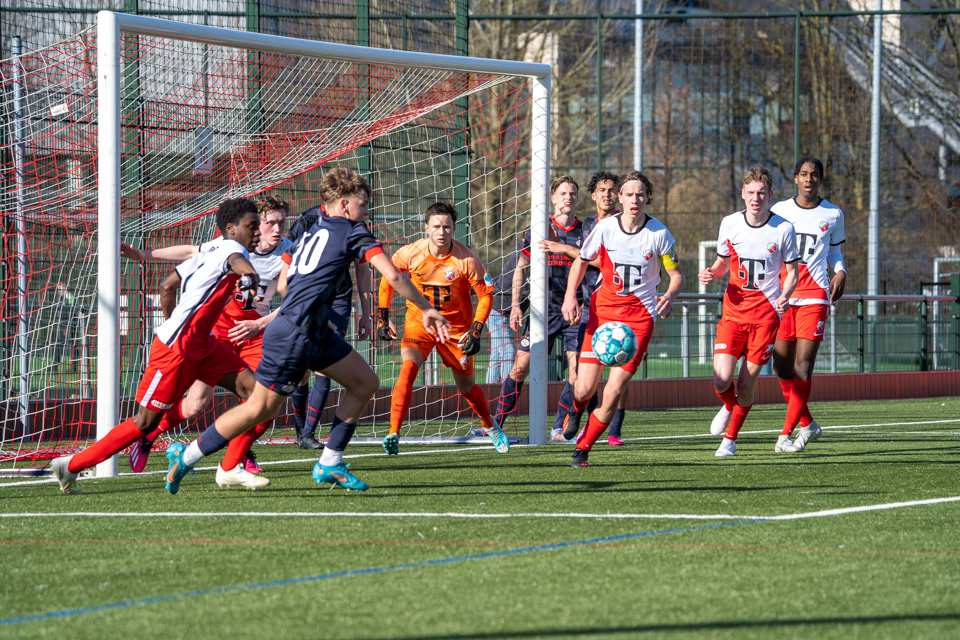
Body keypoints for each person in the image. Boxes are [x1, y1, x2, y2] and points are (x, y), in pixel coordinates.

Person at [161, 167, 449, 494]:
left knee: (365, 381)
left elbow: (284, 283)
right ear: (344, 204)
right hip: (295, 333)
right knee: (259, 408)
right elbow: (394, 277)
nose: (366, 211)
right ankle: (186, 456)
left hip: (311, 328)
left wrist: (313, 306)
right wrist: (427, 308)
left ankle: (330, 462)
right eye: (363, 204)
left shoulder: (309, 231)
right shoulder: (354, 231)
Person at [49, 198, 263, 493]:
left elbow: (166, 287)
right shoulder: (233, 250)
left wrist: (175, 319)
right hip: (175, 351)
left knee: (259, 396)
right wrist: (249, 274)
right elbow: (235, 262)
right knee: (145, 423)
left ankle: (231, 466)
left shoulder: (210, 248)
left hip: (204, 346)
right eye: (252, 226)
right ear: (231, 228)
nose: (258, 233)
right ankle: (70, 466)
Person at [121, 195, 293, 485]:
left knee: (265, 398)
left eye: (281, 222)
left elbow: (292, 299)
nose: (277, 229)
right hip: (218, 334)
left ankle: (239, 455)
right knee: (194, 406)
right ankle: (150, 433)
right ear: (252, 225)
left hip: (254, 335)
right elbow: (191, 251)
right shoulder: (230, 247)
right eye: (269, 222)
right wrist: (144, 255)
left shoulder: (288, 252)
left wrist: (261, 323)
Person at [560, 170, 685, 467]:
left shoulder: (659, 234)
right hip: (602, 315)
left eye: (640, 195)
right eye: (629, 194)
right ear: (619, 197)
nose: (635, 200)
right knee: (584, 388)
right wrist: (570, 296)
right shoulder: (605, 228)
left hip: (638, 321)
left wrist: (669, 295)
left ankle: (583, 449)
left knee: (614, 390)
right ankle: (577, 408)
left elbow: (676, 275)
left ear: (647, 199)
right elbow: (581, 260)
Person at [377, 202, 507, 454]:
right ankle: (393, 432)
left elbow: (486, 295)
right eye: (436, 226)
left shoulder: (466, 259)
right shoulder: (410, 253)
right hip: (419, 323)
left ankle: (489, 425)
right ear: (426, 227)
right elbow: (387, 277)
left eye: (447, 226)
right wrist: (383, 316)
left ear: (454, 229)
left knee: (466, 386)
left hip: (455, 329)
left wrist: (476, 330)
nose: (441, 231)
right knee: (407, 369)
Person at [700, 166, 799, 457]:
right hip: (733, 312)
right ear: (743, 194)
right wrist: (711, 273)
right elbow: (722, 263)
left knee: (745, 382)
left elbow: (792, 272)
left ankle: (730, 440)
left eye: (761, 193)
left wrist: (786, 295)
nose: (755, 198)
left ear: (769, 195)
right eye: (750, 193)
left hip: (766, 316)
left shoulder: (783, 228)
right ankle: (729, 406)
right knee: (721, 379)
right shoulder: (730, 223)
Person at [493, 176, 584, 431]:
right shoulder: (539, 228)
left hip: (575, 311)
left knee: (575, 372)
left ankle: (559, 429)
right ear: (553, 199)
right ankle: (495, 424)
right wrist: (514, 305)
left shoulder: (585, 231)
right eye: (563, 193)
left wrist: (562, 249)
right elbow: (520, 268)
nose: (569, 197)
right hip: (541, 310)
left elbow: (591, 259)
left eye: (573, 193)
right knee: (520, 367)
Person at [769, 158, 845, 452]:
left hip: (815, 295)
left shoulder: (834, 214)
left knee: (803, 367)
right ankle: (808, 424)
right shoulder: (779, 212)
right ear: (795, 178)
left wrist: (841, 271)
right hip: (784, 296)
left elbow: (835, 252)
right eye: (804, 174)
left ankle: (785, 435)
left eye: (814, 175)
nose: (809, 179)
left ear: (820, 179)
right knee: (780, 366)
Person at [550, 170, 632, 445]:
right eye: (602, 190)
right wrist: (572, 296)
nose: (607, 195)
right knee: (584, 375)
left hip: (622, 304)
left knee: (618, 372)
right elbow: (583, 261)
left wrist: (563, 249)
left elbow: (598, 260)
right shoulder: (587, 225)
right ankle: (578, 415)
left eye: (612, 190)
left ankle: (615, 430)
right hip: (590, 306)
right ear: (594, 195)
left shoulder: (627, 223)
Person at [287, 204, 372, 450]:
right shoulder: (309, 217)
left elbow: (362, 267)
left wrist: (366, 312)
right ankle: (300, 427)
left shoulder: (356, 225)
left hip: (338, 298)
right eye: (361, 201)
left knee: (326, 364)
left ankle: (308, 434)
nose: (365, 208)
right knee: (302, 368)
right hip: (307, 296)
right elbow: (286, 255)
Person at [485, 249, 524, 385]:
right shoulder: (523, 254)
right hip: (498, 310)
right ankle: (506, 391)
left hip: (505, 312)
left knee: (496, 356)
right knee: (508, 352)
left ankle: (491, 392)